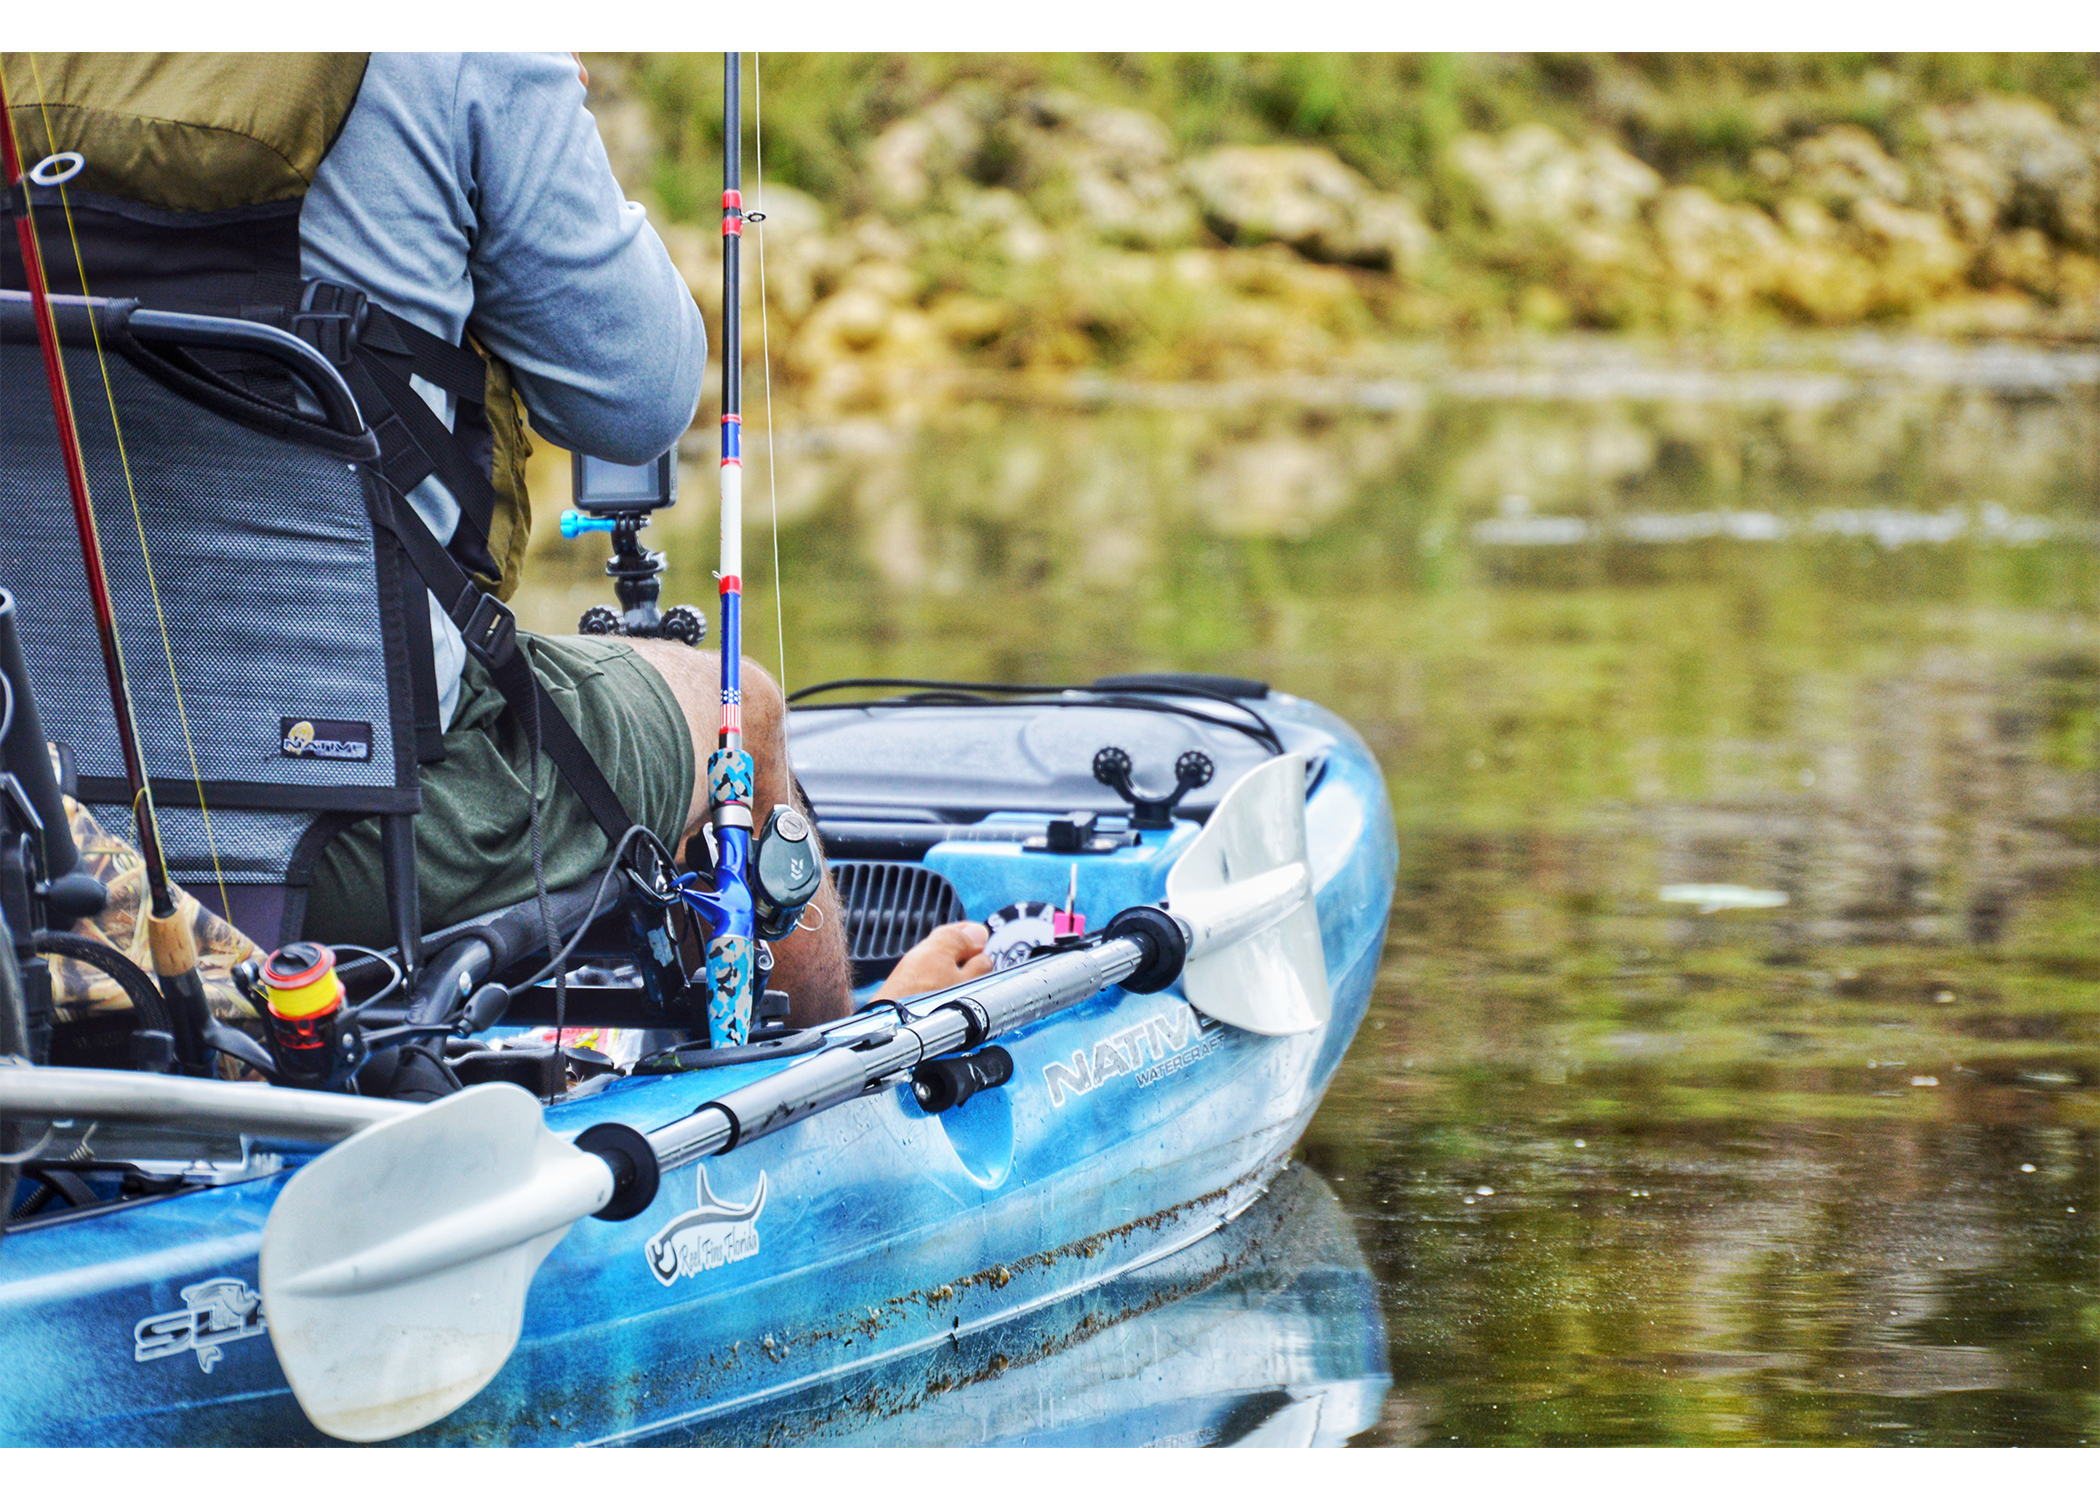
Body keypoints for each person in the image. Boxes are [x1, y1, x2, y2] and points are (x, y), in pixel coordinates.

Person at [4, 51, 989, 1022]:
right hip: (362, 839)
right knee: (746, 712)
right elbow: (639, 402)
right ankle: (836, 1059)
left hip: (36, 829)